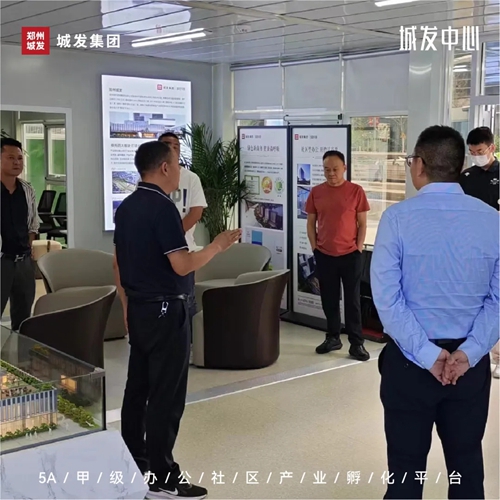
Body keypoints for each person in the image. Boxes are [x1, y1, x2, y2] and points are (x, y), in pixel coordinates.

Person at [371, 125, 499, 500]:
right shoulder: (492, 220)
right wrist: (467, 354)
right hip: (468, 371)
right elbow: (497, 300)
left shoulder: (397, 219)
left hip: (410, 365)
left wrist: (429, 356)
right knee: (466, 467)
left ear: (420, 165)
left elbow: (387, 299)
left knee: (406, 472)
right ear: (459, 166)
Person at [113, 140, 240, 499]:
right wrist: (217, 246)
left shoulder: (127, 207)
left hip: (140, 308)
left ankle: (135, 464)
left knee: (137, 389)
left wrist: (126, 305)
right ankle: (163, 476)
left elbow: (119, 264)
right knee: (165, 394)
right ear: (165, 167)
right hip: (167, 310)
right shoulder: (162, 207)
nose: (180, 172)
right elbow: (182, 264)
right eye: (177, 165)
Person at [305, 150, 370, 362]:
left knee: (352, 301)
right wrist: (315, 247)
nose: (331, 173)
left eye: (335, 169)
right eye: (326, 170)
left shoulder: (356, 191)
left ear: (344, 168)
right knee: (329, 299)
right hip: (325, 254)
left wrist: (358, 248)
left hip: (351, 255)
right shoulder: (316, 192)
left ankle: (356, 343)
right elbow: (311, 223)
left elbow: (362, 224)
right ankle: (333, 337)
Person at [460, 126, 500, 378]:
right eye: (472, 152)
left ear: (492, 148)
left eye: (480, 151)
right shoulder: (466, 176)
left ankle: (499, 356)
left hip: (497, 244)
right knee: (478, 301)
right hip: (472, 249)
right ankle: (476, 351)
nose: (476, 156)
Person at [158, 132, 207, 324]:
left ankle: (188, 339)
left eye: (175, 145)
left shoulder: (191, 178)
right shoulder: (148, 178)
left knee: (186, 301)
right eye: (166, 144)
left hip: (184, 250)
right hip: (156, 252)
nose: (171, 148)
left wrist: (173, 237)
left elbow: (196, 212)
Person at [1, 137, 39, 330]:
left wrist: (28, 248)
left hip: (23, 261)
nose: (17, 162)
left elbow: (33, 224)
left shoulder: (27, 189)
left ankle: (19, 349)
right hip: (2, 260)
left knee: (24, 316)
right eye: (10, 158)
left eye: (20, 158)